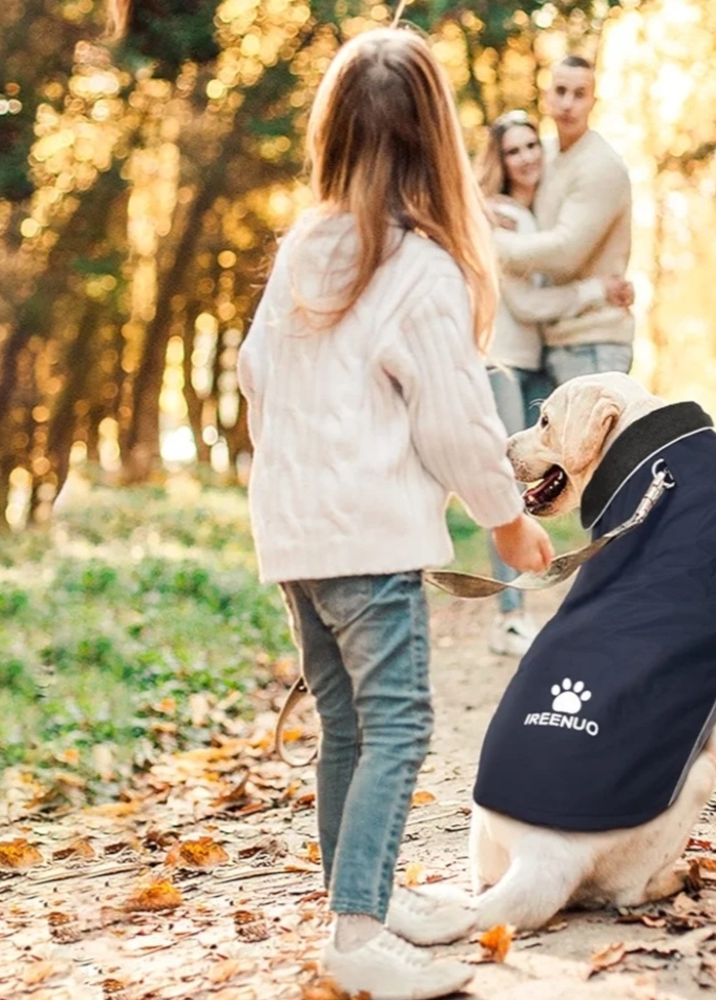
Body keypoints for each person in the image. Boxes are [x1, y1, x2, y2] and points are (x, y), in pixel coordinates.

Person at [236, 28, 553, 1000]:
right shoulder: (422, 269)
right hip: (365, 544)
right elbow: (459, 426)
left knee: (346, 724)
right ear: (437, 141)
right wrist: (507, 522)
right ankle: (357, 930)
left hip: (294, 538)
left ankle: (357, 890)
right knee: (399, 724)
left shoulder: (300, 249)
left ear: (331, 133)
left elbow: (256, 377)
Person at [474, 110, 633, 656]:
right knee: (503, 481)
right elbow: (526, 301)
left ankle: (596, 601)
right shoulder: (499, 216)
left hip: (536, 355)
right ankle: (511, 614)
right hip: (502, 360)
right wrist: (597, 291)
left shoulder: (535, 213)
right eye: (514, 151)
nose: (526, 158)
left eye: (531, 146)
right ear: (499, 160)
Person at [491, 55, 635, 386]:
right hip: (552, 341)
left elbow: (565, 252)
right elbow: (506, 186)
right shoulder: (545, 153)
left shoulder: (601, 165)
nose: (568, 103)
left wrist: (492, 243)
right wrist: (483, 207)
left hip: (594, 342)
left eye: (579, 94)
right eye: (560, 91)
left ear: (593, 101)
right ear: (547, 96)